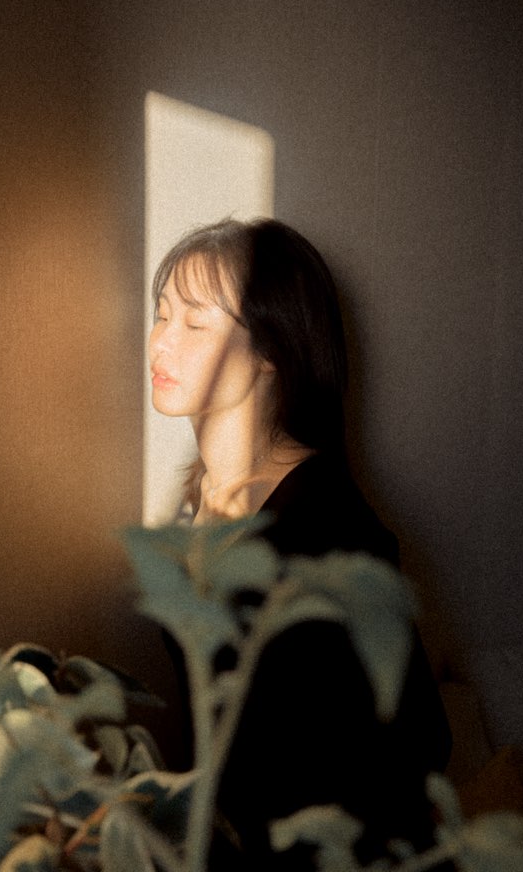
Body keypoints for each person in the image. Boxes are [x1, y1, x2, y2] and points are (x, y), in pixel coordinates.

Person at [148, 217, 452, 869]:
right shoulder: (201, 498)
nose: (161, 341)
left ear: (271, 349)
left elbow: (418, 741)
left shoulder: (327, 529)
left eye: (194, 323)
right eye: (162, 313)